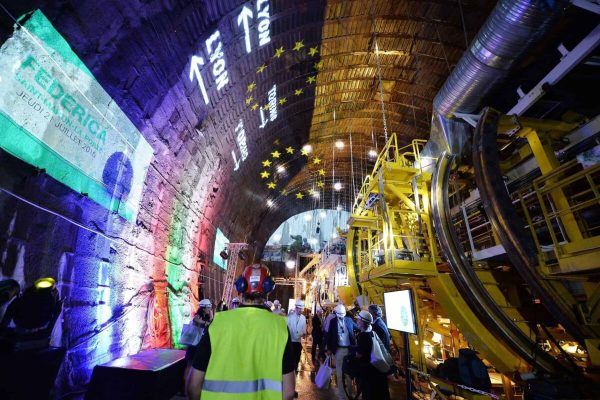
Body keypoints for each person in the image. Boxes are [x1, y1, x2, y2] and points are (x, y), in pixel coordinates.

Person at [187, 264, 295, 400]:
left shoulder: (218, 324)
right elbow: (289, 392)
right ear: (268, 288)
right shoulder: (279, 328)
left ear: (240, 287)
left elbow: (193, 386)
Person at [355, 310, 390, 400]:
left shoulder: (363, 336)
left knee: (368, 394)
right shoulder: (372, 332)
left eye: (358, 320)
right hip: (375, 369)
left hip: (367, 371)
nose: (357, 321)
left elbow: (359, 355)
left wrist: (354, 352)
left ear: (362, 322)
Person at [325, 304, 357, 400]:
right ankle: (342, 396)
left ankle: (350, 394)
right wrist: (329, 349)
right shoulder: (333, 321)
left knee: (349, 374)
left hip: (349, 350)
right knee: (339, 374)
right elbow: (329, 336)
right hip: (338, 350)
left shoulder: (349, 320)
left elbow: (358, 327)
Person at [184, 299, 213, 384]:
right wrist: (205, 323)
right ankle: (185, 386)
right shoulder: (199, 315)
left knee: (194, 366)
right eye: (208, 307)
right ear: (204, 308)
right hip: (194, 344)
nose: (210, 309)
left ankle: (191, 384)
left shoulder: (206, 316)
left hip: (198, 344)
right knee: (190, 365)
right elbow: (196, 320)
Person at [287, 300, 307, 373]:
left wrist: (304, 334)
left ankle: (295, 371)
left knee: (297, 358)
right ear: (295, 308)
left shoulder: (303, 318)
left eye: (301, 308)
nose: (300, 310)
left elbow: (304, 330)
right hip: (291, 342)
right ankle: (291, 372)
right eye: (299, 308)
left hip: (298, 342)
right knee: (291, 358)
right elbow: (286, 329)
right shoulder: (289, 317)